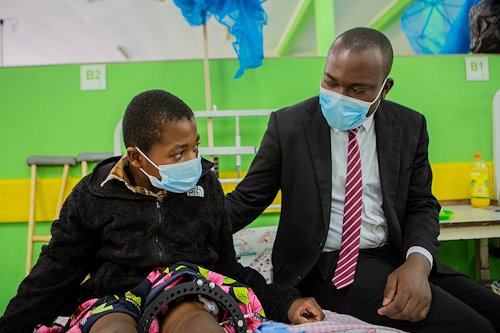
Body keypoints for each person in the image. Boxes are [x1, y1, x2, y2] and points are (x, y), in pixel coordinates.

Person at [225, 27, 500, 333]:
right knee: (472, 327)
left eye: (357, 90)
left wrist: (417, 264)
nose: (339, 96)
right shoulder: (290, 126)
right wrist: (184, 225)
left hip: (395, 254)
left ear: (384, 89)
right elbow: (246, 200)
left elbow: (421, 204)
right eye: (331, 82)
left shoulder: (409, 126)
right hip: (330, 264)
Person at [0, 89, 324, 333]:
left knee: (197, 324)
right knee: (112, 328)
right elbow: (55, 271)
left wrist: (286, 302)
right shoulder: (93, 195)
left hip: (187, 289)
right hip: (116, 295)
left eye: (195, 147)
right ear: (137, 158)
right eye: (178, 153)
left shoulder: (205, 187)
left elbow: (228, 266)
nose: (192, 161)